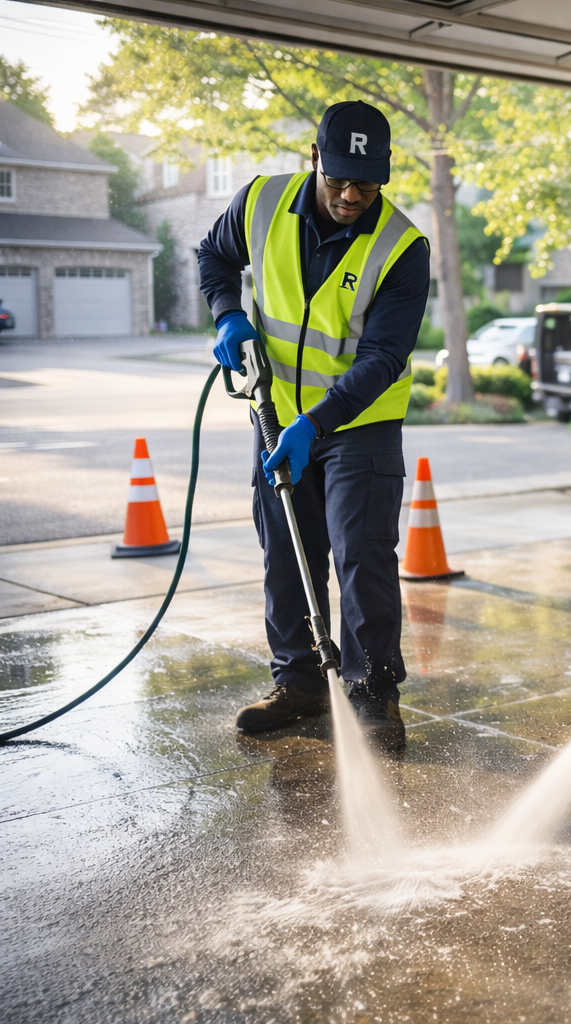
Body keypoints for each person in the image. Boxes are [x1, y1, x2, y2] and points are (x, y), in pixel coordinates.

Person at [198, 101, 431, 748]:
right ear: (314, 160)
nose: (352, 194)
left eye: (367, 182)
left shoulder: (404, 248)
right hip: (276, 417)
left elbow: (384, 358)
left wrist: (316, 424)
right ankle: (300, 683)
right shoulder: (261, 203)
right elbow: (214, 258)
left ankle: (373, 691)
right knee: (286, 553)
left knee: (362, 557)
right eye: (339, 180)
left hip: (358, 424)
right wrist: (226, 314)